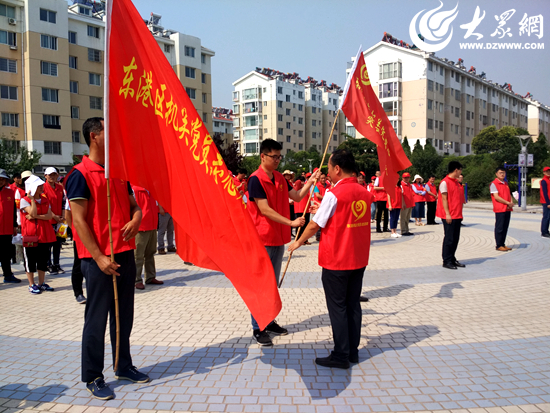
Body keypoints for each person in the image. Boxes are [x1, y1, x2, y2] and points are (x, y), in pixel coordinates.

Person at [66, 117, 149, 400]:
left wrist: (136, 219)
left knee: (124, 316)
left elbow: (134, 206)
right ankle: (93, 376)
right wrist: (99, 256)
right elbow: (78, 221)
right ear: (94, 136)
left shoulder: (118, 172)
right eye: (107, 132)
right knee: (96, 319)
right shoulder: (80, 174)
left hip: (124, 254)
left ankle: (123, 365)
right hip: (98, 259)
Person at [288, 149, 373, 369]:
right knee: (353, 305)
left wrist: (298, 242)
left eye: (329, 168)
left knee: (338, 308)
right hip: (358, 258)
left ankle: (340, 355)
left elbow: (315, 224)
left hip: (337, 259)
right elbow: (345, 217)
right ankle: (352, 352)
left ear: (337, 168)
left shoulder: (334, 194)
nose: (328, 173)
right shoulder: (364, 192)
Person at [247, 139, 319, 346]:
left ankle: (268, 322)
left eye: (280, 156)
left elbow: (296, 197)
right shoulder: (255, 180)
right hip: (262, 239)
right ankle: (257, 327)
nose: (278, 160)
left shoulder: (279, 177)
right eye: (274, 156)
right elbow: (264, 209)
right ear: (263, 156)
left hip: (278, 238)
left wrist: (311, 181)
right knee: (262, 284)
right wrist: (291, 222)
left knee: (272, 284)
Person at [20, 175, 57, 293]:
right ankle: (32, 284)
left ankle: (41, 283)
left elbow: (49, 216)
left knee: (42, 260)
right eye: (39, 186)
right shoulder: (24, 200)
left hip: (44, 235)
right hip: (31, 235)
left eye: (41, 186)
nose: (42, 188)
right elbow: (32, 211)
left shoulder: (45, 199)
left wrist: (35, 217)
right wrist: (32, 200)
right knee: (30, 260)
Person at [132, 185, 163, 289]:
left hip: (152, 226)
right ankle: (137, 279)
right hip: (141, 228)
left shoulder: (151, 190)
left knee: (150, 253)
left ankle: (150, 277)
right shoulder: (135, 190)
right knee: (138, 256)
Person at [437, 161, 466, 270]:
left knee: (455, 238)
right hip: (449, 215)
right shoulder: (445, 182)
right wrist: (447, 214)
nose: (461, 173)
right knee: (449, 238)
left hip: (457, 215)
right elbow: (444, 199)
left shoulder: (456, 183)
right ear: (456, 170)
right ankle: (446, 260)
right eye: (460, 170)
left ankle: (452, 258)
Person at [43, 167, 65, 275]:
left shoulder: (60, 188)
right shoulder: (43, 188)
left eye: (54, 174)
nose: (52, 177)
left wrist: (62, 217)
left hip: (59, 221)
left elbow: (63, 202)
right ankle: (48, 264)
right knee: (48, 244)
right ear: (45, 176)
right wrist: (53, 216)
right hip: (48, 221)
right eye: (50, 175)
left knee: (58, 244)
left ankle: (57, 264)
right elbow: (45, 205)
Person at [64, 194, 86, 303]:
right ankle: (78, 293)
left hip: (96, 234)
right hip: (80, 235)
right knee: (79, 264)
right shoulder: (75, 193)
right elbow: (67, 213)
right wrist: (74, 230)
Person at [0, 169, 20, 283]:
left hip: (6, 228)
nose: (1, 181)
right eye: (0, 179)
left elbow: (13, 210)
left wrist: (14, 225)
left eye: (3, 179)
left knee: (6, 254)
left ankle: (8, 275)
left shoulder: (10, 192)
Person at [490, 167, 514, 251]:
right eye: (500, 173)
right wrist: (507, 203)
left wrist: (511, 202)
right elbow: (496, 197)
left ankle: (503, 244)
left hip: (507, 208)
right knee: (499, 227)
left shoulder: (505, 183)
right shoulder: (494, 184)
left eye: (503, 172)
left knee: (505, 227)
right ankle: (499, 245)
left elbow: (509, 194)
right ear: (496, 174)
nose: (502, 174)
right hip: (500, 208)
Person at [293, 175, 313, 244]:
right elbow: (297, 184)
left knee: (306, 225)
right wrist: (299, 181)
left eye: (303, 181)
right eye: (301, 181)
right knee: (300, 225)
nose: (302, 182)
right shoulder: (296, 187)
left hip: (306, 208)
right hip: (299, 208)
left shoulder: (305, 187)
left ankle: (305, 239)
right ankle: (298, 239)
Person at [313, 172, 330, 242]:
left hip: (326, 205)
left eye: (324, 178)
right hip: (318, 206)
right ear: (319, 179)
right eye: (321, 178)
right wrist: (326, 198)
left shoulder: (328, 185)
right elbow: (317, 195)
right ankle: (318, 236)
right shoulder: (316, 185)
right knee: (318, 222)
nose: (323, 179)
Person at [541, 166, 550, 238]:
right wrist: (548, 203)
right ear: (544, 172)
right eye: (546, 171)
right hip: (546, 202)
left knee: (548, 217)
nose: (548, 172)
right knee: (546, 217)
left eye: (549, 171)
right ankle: (544, 231)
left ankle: (546, 231)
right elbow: (545, 193)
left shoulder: (548, 180)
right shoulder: (544, 181)